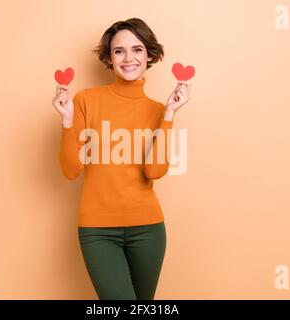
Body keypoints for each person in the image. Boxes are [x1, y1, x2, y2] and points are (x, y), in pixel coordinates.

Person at [52, 18, 192, 300]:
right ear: (109, 58)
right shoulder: (85, 101)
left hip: (148, 230)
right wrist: (67, 122)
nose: (129, 58)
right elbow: (70, 170)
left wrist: (168, 115)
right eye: (119, 51)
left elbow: (154, 171)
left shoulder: (156, 110)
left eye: (137, 50)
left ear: (150, 55)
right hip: (97, 231)